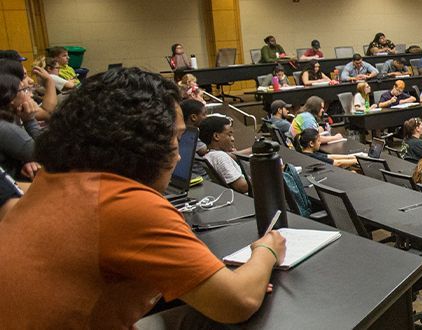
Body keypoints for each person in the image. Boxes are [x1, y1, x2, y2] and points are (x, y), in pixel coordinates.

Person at [0, 67, 285, 327]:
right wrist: (267, 250)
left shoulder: (49, 183)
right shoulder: (125, 204)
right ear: (145, 143)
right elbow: (238, 302)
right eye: (176, 138)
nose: (179, 154)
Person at [0, 74, 42, 178]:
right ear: (11, 98)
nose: (31, 95)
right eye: (25, 90)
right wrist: (30, 120)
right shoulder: (5, 127)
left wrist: (26, 161)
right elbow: (47, 154)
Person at [198, 116, 249, 194]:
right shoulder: (220, 157)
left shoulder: (209, 155)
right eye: (229, 135)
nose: (233, 139)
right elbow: (242, 187)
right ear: (216, 136)